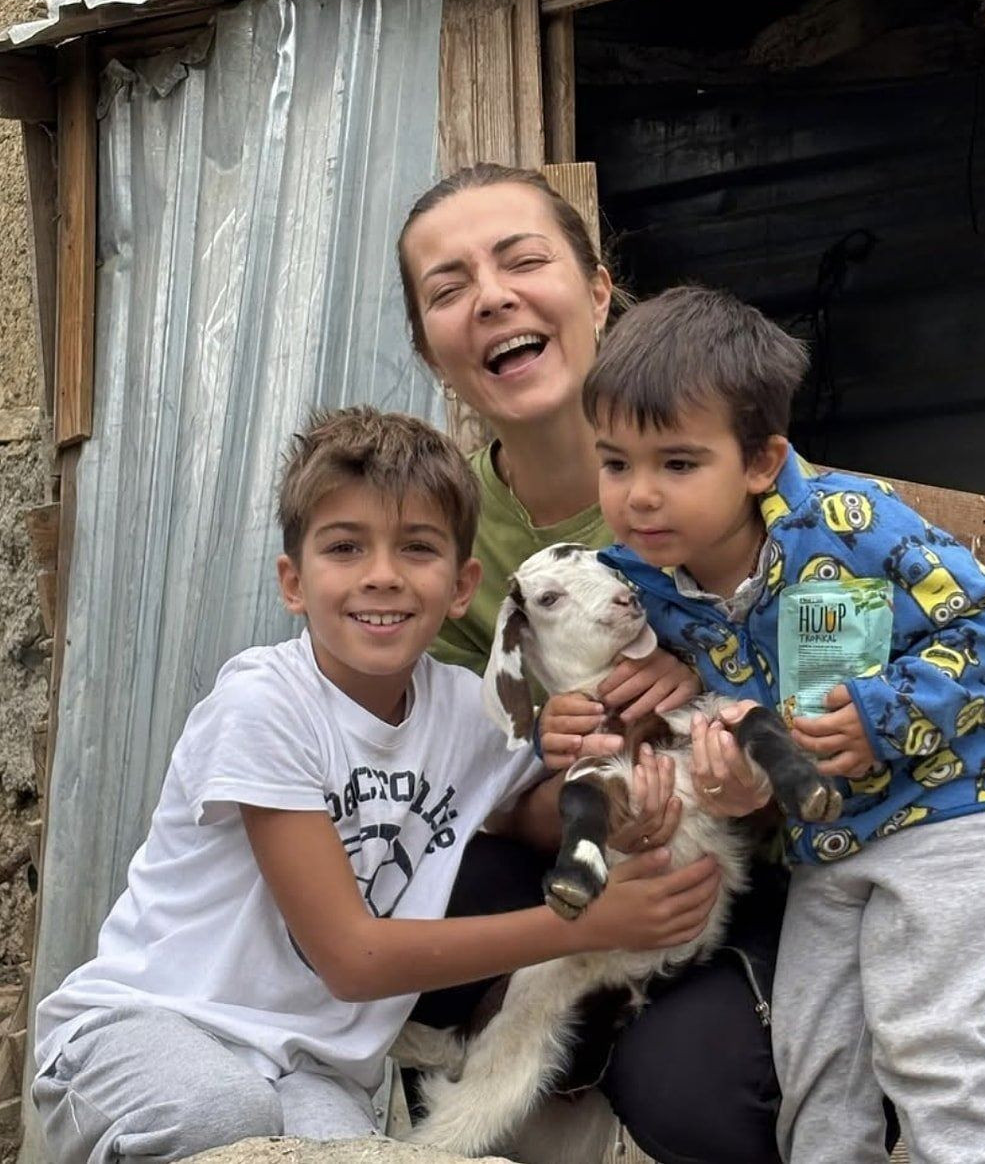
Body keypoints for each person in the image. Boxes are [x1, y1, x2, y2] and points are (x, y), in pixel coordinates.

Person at [32, 407, 720, 1164]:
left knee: (358, 1152)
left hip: (313, 1064)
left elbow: (532, 815)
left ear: (462, 586)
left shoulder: (467, 710)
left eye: (416, 547)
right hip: (152, 1027)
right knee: (224, 1115)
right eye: (346, 547)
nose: (382, 574)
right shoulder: (265, 704)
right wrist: (587, 925)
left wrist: (632, 764)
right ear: (293, 582)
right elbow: (349, 958)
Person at [582, 285, 985, 1164]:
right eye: (615, 464)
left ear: (760, 461)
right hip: (828, 846)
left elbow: (984, 618)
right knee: (816, 1054)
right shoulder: (641, 586)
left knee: (925, 1036)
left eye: (677, 464)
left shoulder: (850, 521)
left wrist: (883, 714)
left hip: (955, 813)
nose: (639, 497)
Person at [396, 165, 790, 1164]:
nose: (491, 296)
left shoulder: (729, 475)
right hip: (566, 869)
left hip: (733, 875)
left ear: (601, 291)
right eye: (448, 288)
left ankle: (598, 1059)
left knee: (710, 1104)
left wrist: (713, 711)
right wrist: (564, 783)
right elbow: (457, 784)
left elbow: (841, 732)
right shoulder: (440, 543)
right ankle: (533, 1060)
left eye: (523, 261)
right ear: (430, 350)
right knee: (405, 907)